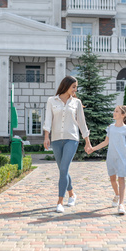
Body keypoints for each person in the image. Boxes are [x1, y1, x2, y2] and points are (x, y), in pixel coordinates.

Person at [43, 75, 92, 213]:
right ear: (66, 86)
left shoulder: (76, 103)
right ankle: (72, 194)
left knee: (64, 169)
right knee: (62, 170)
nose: (75, 89)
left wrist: (87, 142)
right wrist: (46, 137)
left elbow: (82, 123)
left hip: (72, 139)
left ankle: (60, 202)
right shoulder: (51, 101)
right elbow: (48, 120)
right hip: (56, 140)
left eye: (76, 87)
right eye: (74, 86)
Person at [87, 105, 126, 215]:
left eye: (117, 111)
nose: (114, 113)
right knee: (112, 179)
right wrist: (93, 149)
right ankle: (117, 195)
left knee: (121, 179)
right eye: (114, 111)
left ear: (123, 115)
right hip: (111, 157)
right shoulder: (110, 127)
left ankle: (121, 204)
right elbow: (105, 142)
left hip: (122, 157)